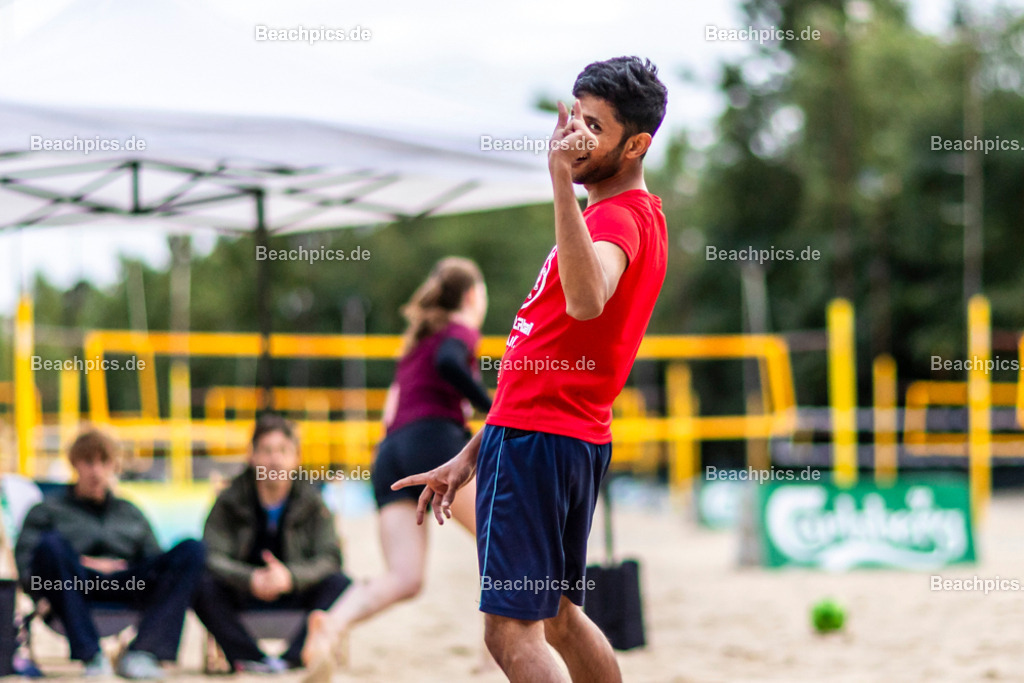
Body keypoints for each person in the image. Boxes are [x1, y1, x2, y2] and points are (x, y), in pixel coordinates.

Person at [393, 56, 669, 683]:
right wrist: (474, 452)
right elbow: (543, 368)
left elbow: (586, 297)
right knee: (562, 619)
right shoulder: (619, 215)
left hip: (543, 444)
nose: (574, 138)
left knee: (510, 632)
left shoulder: (619, 216)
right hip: (550, 436)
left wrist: (554, 179)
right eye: (574, 118)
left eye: (594, 127)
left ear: (637, 144)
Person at [301, 256, 492, 677]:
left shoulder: (413, 345)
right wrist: (493, 409)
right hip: (434, 442)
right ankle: (495, 652)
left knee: (405, 577)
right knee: (500, 537)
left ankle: (331, 625)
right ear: (472, 294)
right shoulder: (460, 330)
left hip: (390, 454)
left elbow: (392, 408)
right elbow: (448, 363)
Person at [14, 429, 205, 679]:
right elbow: (28, 566)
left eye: (104, 462)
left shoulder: (130, 513)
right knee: (51, 545)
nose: (96, 471)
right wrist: (77, 563)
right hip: (71, 586)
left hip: (126, 583)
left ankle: (144, 652)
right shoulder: (47, 510)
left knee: (192, 549)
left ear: (114, 466)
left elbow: (154, 561)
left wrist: (122, 568)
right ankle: (91, 653)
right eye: (88, 462)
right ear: (74, 464)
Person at [192, 414, 352, 673]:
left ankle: (293, 657)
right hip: (242, 593)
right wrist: (250, 578)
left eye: (283, 451)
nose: (275, 460)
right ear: (252, 456)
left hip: (295, 592)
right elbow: (209, 555)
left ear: (296, 458)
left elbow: (330, 557)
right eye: (266, 451)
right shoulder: (228, 500)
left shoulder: (314, 503)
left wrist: (290, 577)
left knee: (340, 584)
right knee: (200, 584)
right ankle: (250, 659)